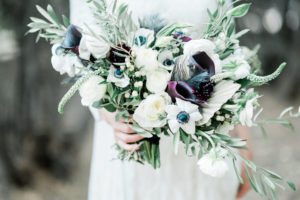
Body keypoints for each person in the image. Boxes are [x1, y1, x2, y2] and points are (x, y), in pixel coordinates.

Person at [70, 0, 253, 199]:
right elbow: (80, 53)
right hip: (130, 135)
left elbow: (231, 56)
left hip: (203, 141)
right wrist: (109, 114)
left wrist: (245, 145)